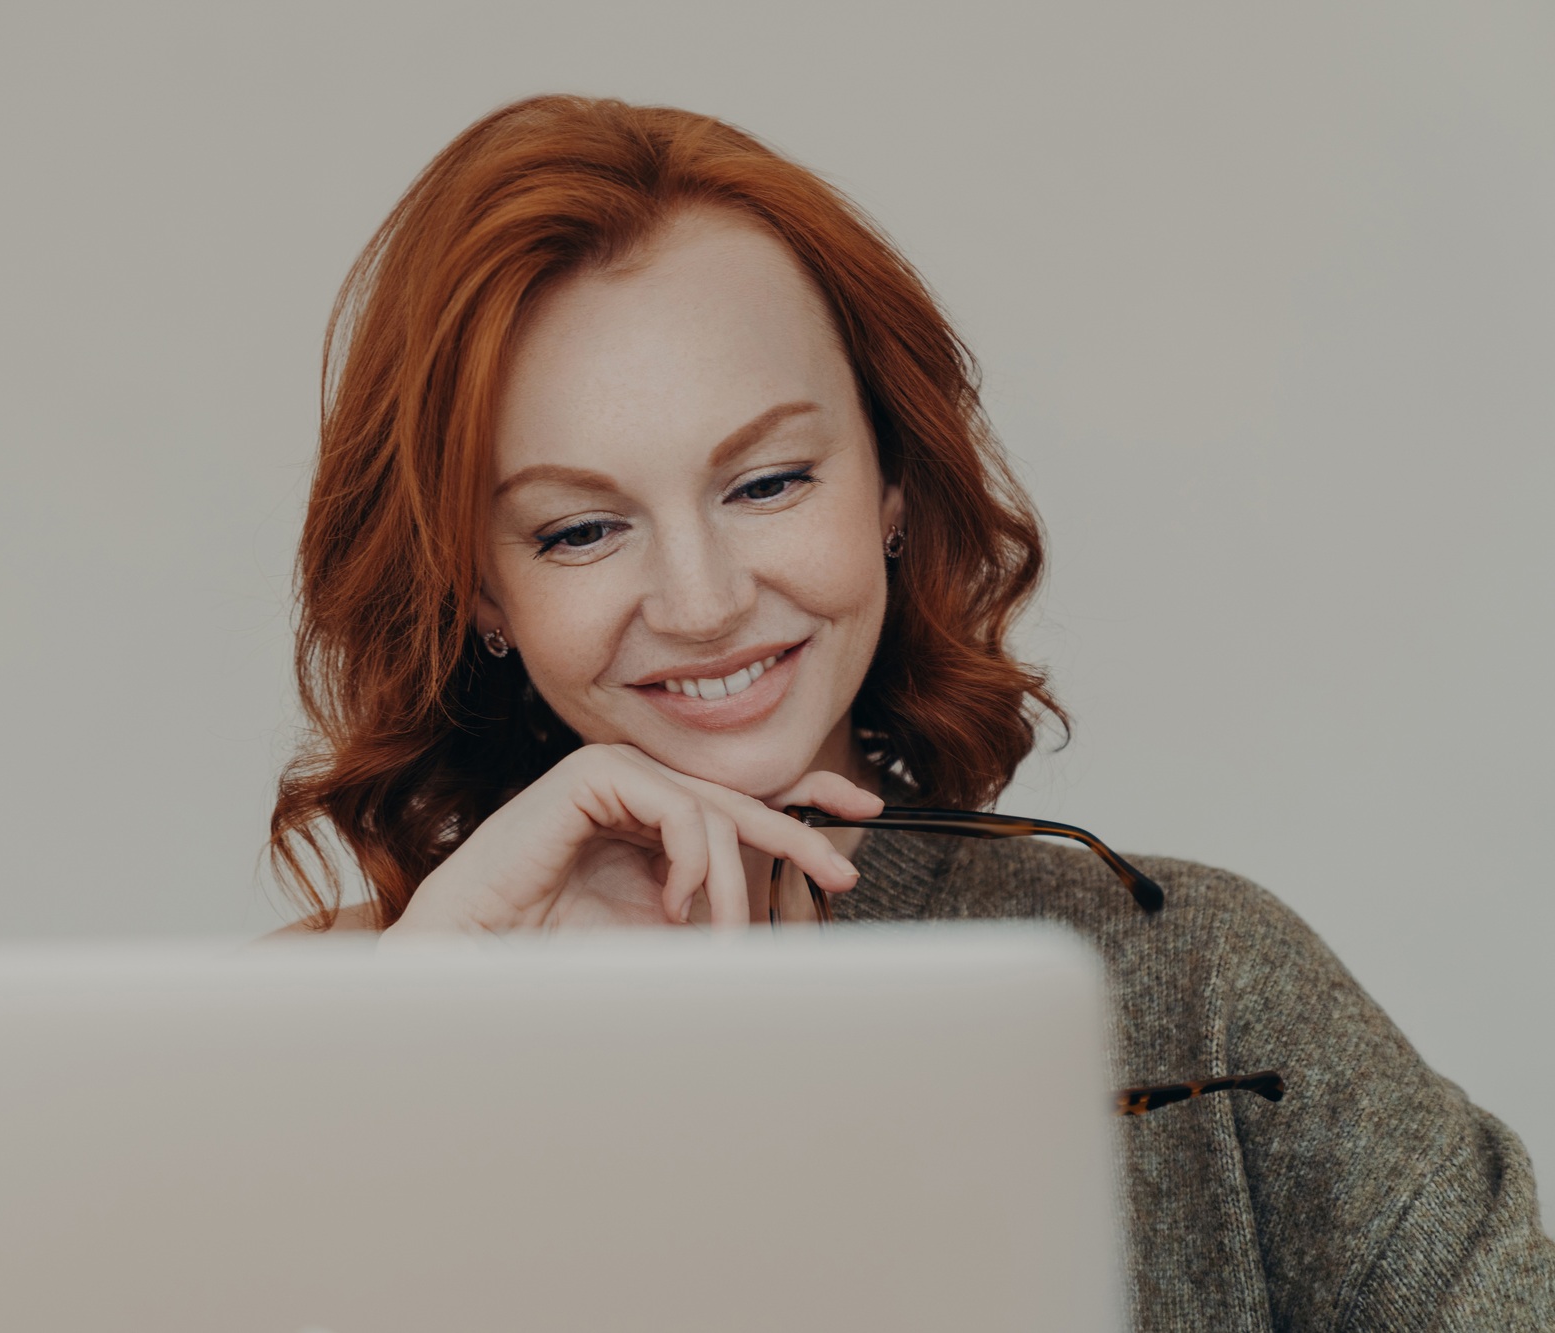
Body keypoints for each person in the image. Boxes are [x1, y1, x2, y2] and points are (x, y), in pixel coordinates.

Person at [267, 93, 1555, 1326]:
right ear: (480, 589)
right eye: (583, 529)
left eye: (769, 481)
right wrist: (413, 1058)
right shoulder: (313, 1045)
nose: (705, 601)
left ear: (891, 483)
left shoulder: (1196, 984)